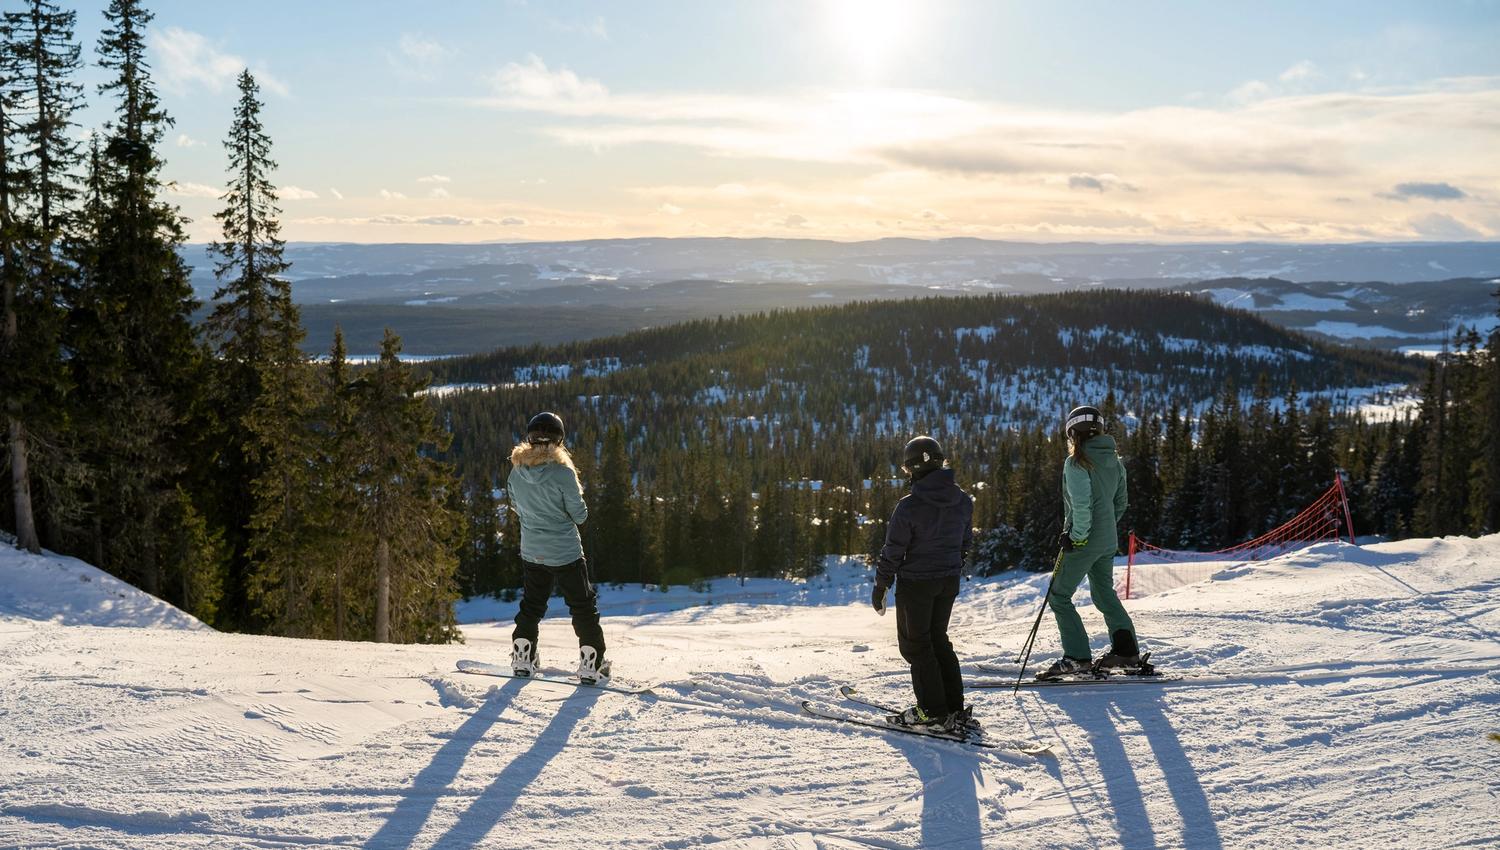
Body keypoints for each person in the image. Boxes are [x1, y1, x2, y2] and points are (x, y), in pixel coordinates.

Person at [872, 435, 975, 730]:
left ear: (912, 469)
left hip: (916, 584)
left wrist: (881, 585)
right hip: (947, 581)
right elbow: (965, 542)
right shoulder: (962, 500)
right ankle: (953, 707)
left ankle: (932, 711)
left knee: (916, 646)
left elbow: (893, 551)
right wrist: (951, 567)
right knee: (938, 640)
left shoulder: (909, 506)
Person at [1037, 405, 1141, 680]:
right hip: (1107, 540)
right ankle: (1127, 652)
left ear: (1073, 432)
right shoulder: (1115, 461)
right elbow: (1121, 502)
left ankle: (1077, 658)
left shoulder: (1076, 462)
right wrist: (1106, 526)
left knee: (1059, 596)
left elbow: (1082, 506)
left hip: (1084, 541)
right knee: (1104, 594)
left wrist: (1077, 537)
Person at [507, 411, 609, 683]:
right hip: (565, 553)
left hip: (532, 552)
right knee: (582, 607)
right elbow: (580, 515)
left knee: (532, 605)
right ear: (559, 440)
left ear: (530, 439)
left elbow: (516, 507)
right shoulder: (563, 473)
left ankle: (523, 657)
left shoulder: (517, 472)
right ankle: (592, 664)